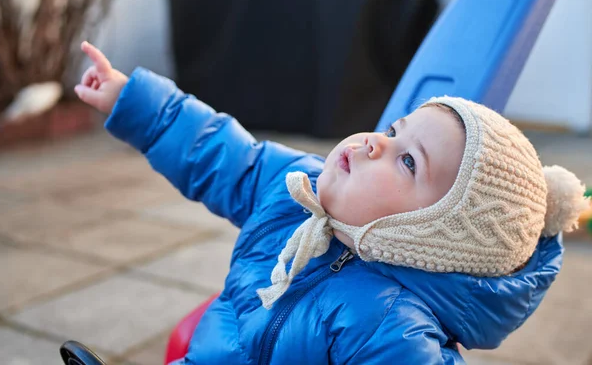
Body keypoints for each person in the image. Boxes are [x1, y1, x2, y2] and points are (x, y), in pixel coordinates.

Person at [75, 41, 588, 364]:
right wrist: (133, 100)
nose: (374, 143)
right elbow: (221, 152)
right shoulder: (299, 185)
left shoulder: (393, 326)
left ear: (428, 236)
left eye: (408, 162)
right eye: (393, 131)